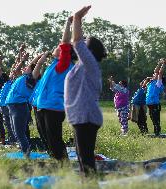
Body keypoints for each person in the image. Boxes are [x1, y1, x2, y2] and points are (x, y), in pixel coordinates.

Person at [64, 5, 107, 176]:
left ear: (89, 51)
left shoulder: (90, 65)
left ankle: (89, 184)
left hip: (86, 117)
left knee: (86, 160)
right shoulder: (81, 67)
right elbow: (66, 45)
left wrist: (77, 18)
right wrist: (70, 23)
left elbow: (77, 43)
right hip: (80, 117)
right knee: (83, 159)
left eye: (84, 45)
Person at [35, 15, 77, 161]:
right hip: (43, 106)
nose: (57, 47)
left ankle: (63, 164)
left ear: (64, 52)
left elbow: (65, 41)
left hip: (54, 106)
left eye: (60, 47)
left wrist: (68, 23)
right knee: (47, 138)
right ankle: (55, 161)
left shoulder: (64, 64)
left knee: (54, 139)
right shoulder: (53, 65)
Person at [5, 52, 47, 157]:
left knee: (20, 134)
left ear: (32, 71)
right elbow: (28, 66)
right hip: (13, 107)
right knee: (16, 133)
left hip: (20, 107)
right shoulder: (24, 77)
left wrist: (44, 56)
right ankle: (25, 152)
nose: (25, 68)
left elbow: (38, 65)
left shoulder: (31, 79)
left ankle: (27, 155)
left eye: (28, 68)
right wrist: (36, 57)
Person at [145, 58, 166, 136]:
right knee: (152, 118)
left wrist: (163, 64)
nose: (154, 74)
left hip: (155, 104)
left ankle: (157, 133)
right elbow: (156, 71)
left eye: (155, 75)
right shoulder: (152, 82)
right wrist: (159, 63)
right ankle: (156, 133)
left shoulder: (158, 83)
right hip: (150, 104)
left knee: (156, 119)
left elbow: (160, 72)